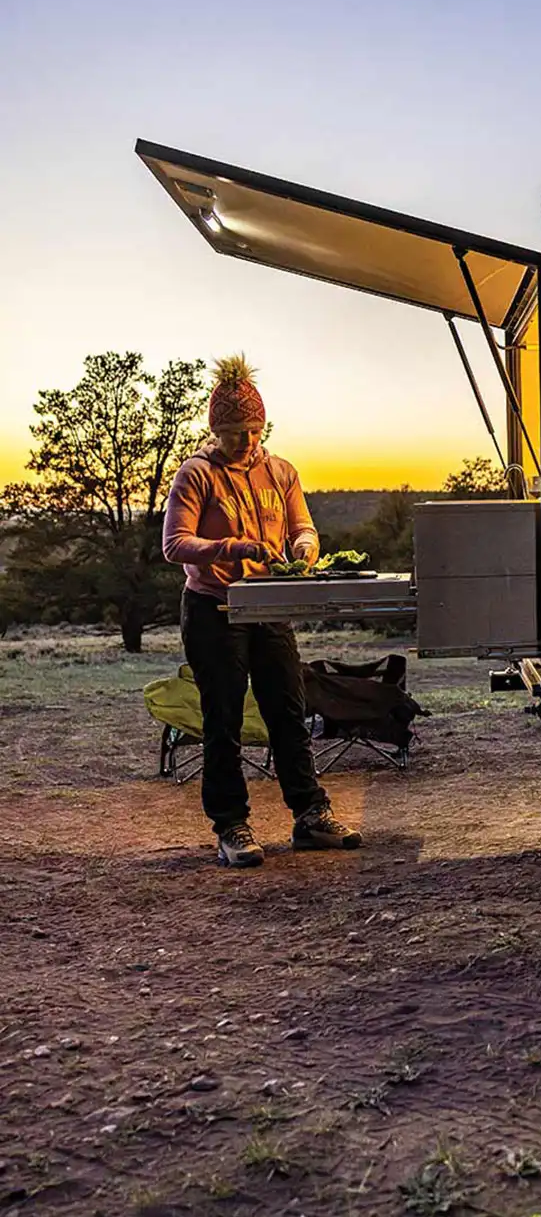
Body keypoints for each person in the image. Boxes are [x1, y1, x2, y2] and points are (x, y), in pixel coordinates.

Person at [163, 355, 362, 868]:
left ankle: (311, 815)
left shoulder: (282, 472)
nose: (246, 442)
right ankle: (232, 824)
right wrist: (232, 548)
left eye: (252, 430)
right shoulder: (195, 475)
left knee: (289, 712)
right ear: (215, 430)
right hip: (215, 608)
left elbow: (304, 528)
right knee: (223, 717)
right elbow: (175, 545)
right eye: (234, 433)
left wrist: (304, 549)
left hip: (271, 608)